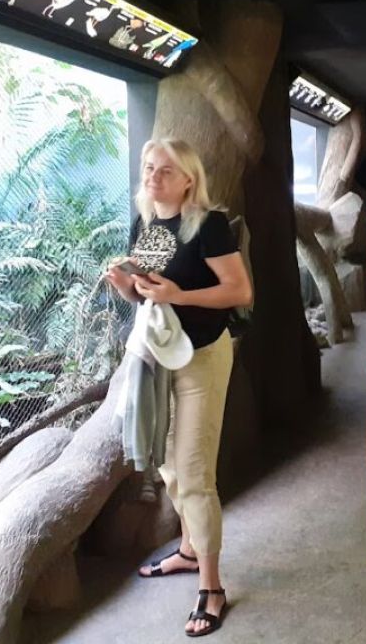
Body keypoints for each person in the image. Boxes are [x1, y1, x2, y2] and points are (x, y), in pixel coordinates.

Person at [105, 137, 252, 638]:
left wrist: (180, 294)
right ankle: (189, 550)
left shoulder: (208, 224)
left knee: (193, 474)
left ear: (189, 179)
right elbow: (148, 296)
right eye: (149, 167)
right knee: (168, 461)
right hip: (158, 355)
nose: (153, 176)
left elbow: (240, 290)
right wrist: (126, 287)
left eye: (166, 170)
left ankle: (212, 588)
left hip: (202, 356)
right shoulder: (144, 222)